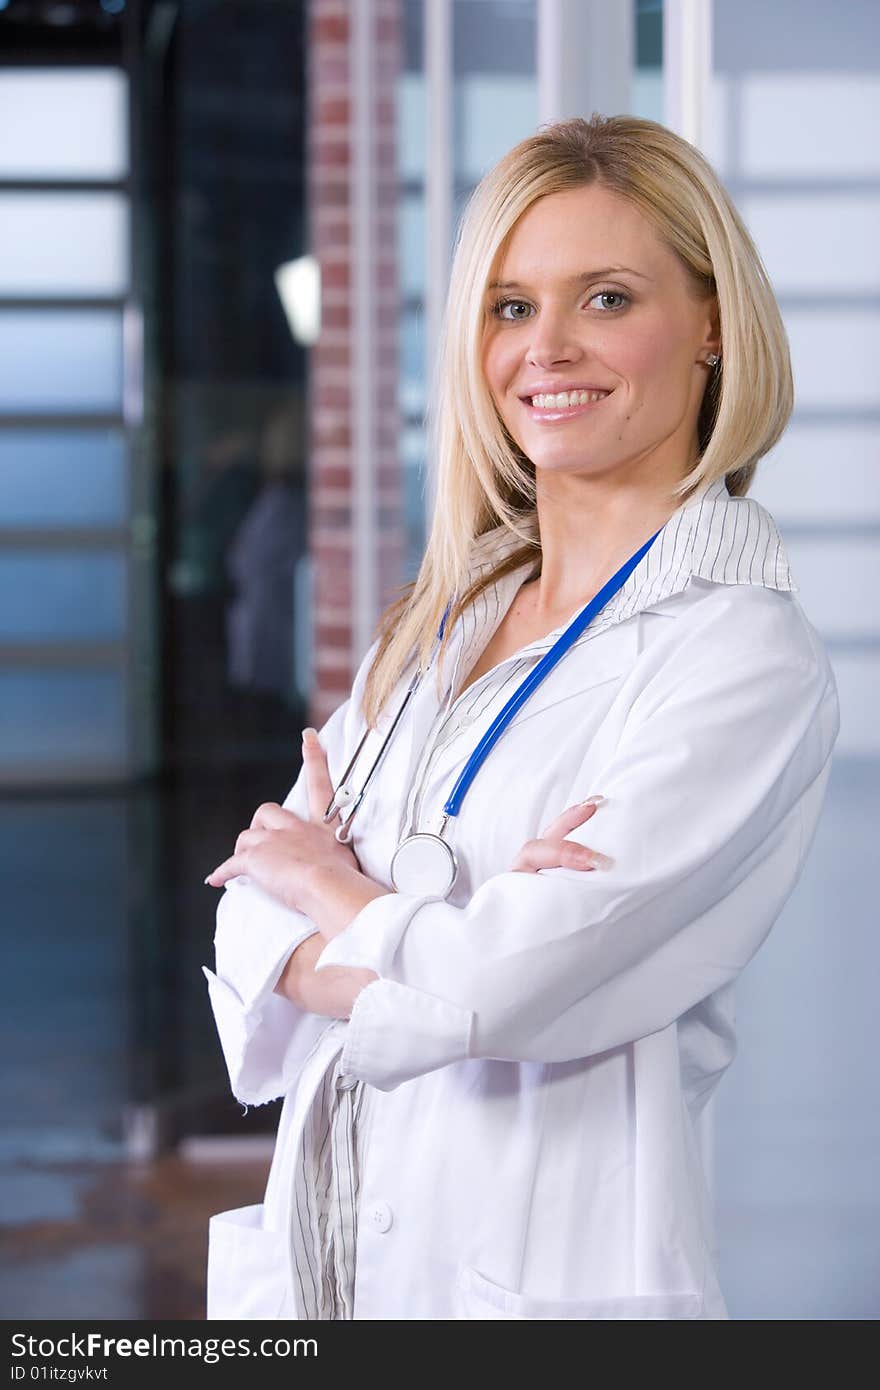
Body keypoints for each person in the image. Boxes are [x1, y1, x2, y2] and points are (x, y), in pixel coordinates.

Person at [202, 114, 839, 1321]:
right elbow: (246, 906)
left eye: (604, 298)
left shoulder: (739, 652)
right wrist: (438, 939)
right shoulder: (439, 622)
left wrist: (339, 890)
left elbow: (507, 984)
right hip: (326, 1278)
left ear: (711, 324)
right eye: (508, 307)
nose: (546, 348)